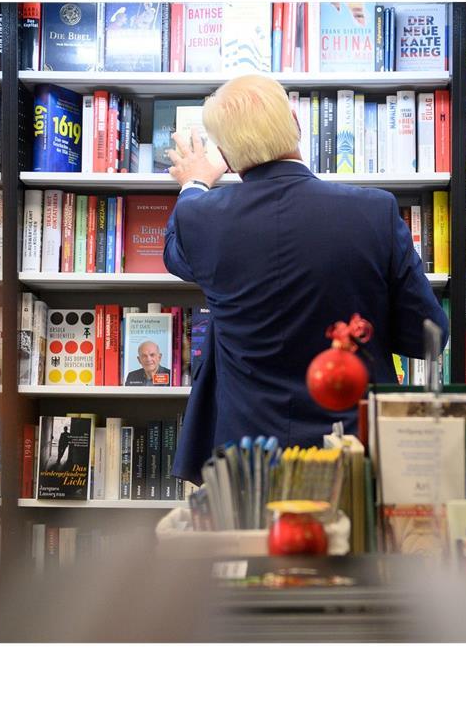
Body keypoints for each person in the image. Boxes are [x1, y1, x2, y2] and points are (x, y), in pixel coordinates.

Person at [162, 74, 449, 484]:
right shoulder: (374, 212)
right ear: (295, 122)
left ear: (224, 152)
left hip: (247, 461)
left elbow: (176, 255)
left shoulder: (202, 219)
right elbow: (428, 336)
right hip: (354, 452)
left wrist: (195, 181)